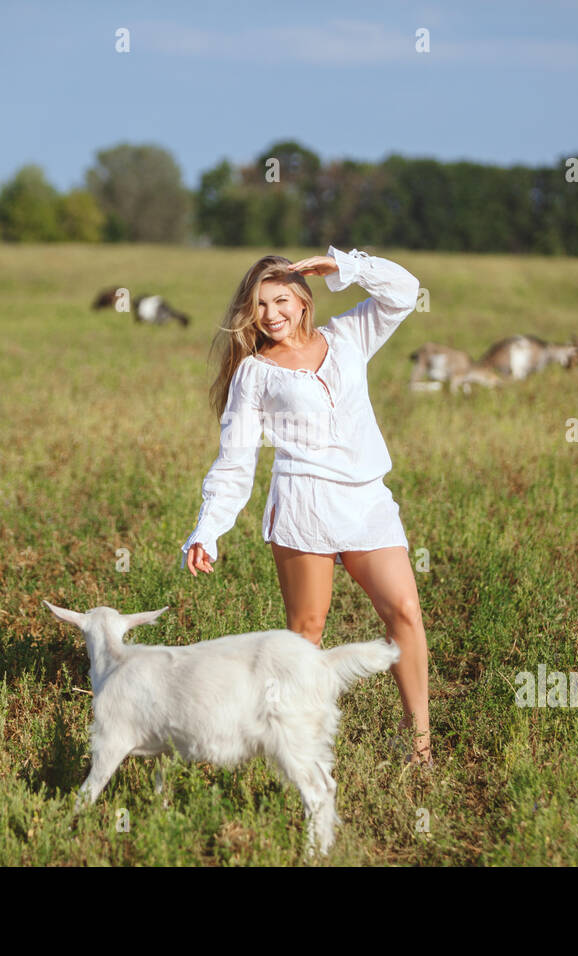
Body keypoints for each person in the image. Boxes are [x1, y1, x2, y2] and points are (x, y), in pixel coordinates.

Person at [181, 245, 431, 765]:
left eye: (279, 301)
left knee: (405, 611)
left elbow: (405, 291)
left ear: (301, 300)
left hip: (366, 501)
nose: (270, 315)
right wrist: (208, 528)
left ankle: (419, 748)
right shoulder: (254, 373)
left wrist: (347, 267)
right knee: (305, 634)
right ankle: (293, 748)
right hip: (304, 506)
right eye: (258, 306)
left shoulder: (347, 336)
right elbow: (235, 460)